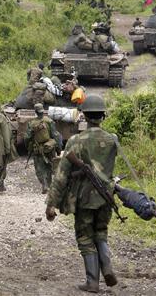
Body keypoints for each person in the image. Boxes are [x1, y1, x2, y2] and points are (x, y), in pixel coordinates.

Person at [45, 95, 118, 292]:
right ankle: (108, 268)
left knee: (85, 238)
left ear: (84, 115)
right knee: (101, 233)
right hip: (106, 198)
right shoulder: (113, 140)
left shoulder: (76, 141)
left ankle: (92, 281)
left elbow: (61, 176)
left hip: (84, 198)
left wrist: (51, 204)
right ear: (103, 115)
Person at [24, 103, 61, 194]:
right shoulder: (49, 121)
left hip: (38, 148)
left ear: (36, 112)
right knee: (49, 167)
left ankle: (44, 184)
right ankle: (49, 185)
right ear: (43, 111)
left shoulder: (31, 123)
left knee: (39, 168)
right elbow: (55, 135)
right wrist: (58, 148)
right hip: (49, 147)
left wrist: (28, 147)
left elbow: (27, 137)